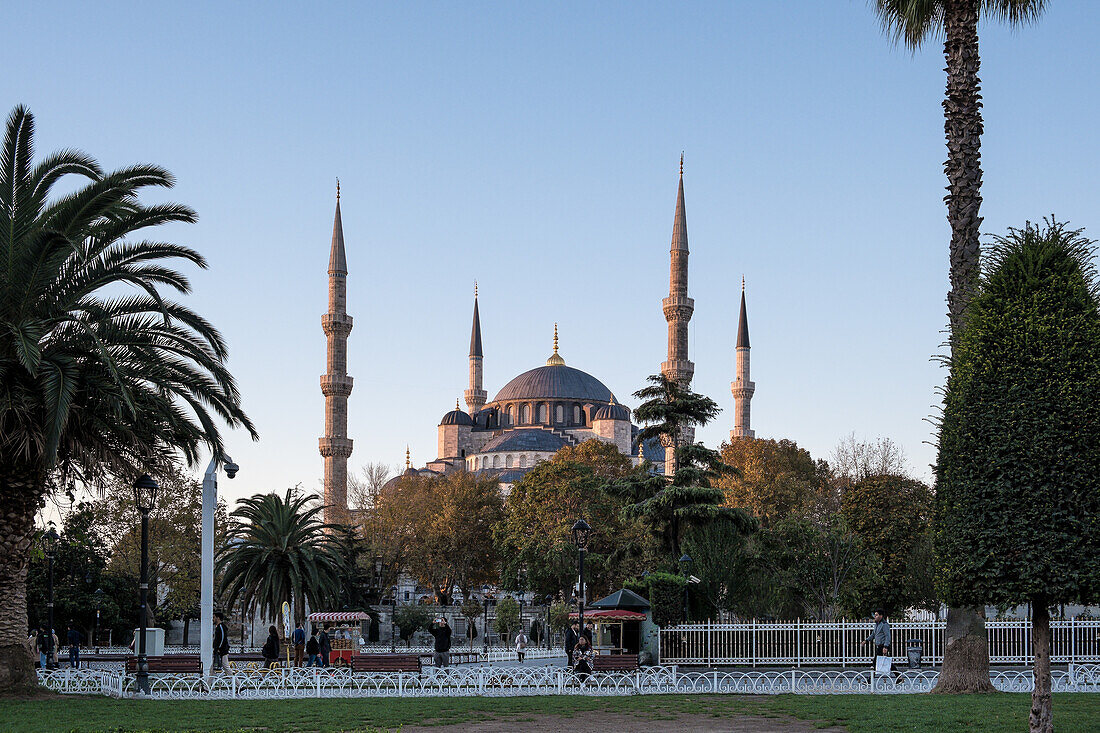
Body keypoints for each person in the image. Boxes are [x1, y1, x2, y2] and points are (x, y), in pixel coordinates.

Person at [863, 608, 893, 675]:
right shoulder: (877, 625)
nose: (875, 617)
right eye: (875, 615)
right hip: (879, 646)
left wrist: (886, 647)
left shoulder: (884, 625)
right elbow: (873, 634)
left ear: (881, 616)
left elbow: (887, 636)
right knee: (887, 662)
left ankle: (870, 680)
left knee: (875, 663)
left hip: (883, 646)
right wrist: (866, 640)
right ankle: (899, 677)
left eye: (876, 615)